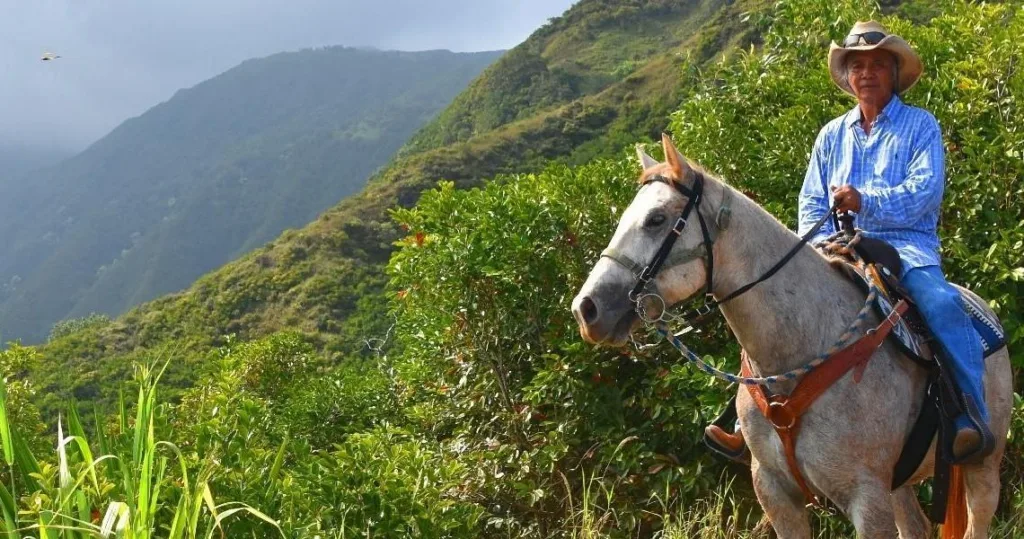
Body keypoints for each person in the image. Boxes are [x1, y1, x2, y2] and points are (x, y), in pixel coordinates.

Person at [704, 20, 993, 463]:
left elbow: (924, 192)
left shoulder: (921, 126)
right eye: (858, 66)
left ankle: (968, 416)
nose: (867, 74)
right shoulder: (830, 135)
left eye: (878, 65)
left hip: (904, 247)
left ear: (894, 73)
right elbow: (810, 203)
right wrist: (807, 252)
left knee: (941, 305)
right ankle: (746, 420)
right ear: (847, 77)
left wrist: (865, 201)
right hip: (835, 247)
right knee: (768, 306)